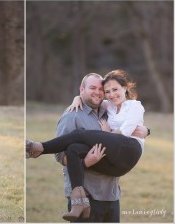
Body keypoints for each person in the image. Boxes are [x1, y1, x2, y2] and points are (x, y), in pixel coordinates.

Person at [26, 70, 149, 222]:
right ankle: (79, 200)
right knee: (73, 149)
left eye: (102, 90)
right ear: (82, 89)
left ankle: (39, 148)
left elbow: (125, 132)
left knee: (80, 134)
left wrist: (147, 131)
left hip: (112, 190)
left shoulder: (118, 109)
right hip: (90, 195)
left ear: (124, 88)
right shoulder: (75, 114)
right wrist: (85, 162)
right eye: (105, 90)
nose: (100, 93)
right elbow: (60, 155)